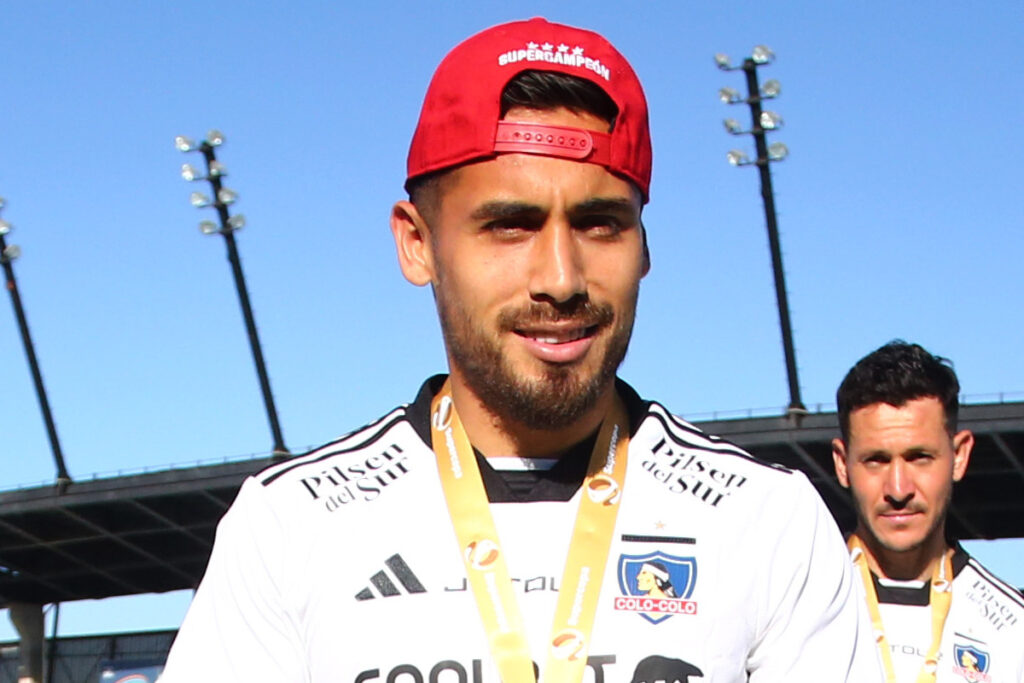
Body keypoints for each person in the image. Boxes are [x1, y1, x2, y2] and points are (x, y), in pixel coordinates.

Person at [161, 18, 880, 682]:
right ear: (418, 243)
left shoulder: (766, 520)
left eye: (601, 224)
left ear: (645, 245)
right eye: (511, 225)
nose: (561, 279)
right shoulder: (291, 526)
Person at [832, 341, 1024, 682]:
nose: (898, 489)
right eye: (875, 460)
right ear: (842, 464)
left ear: (959, 456)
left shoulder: (1013, 629)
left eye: (919, 458)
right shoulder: (790, 603)